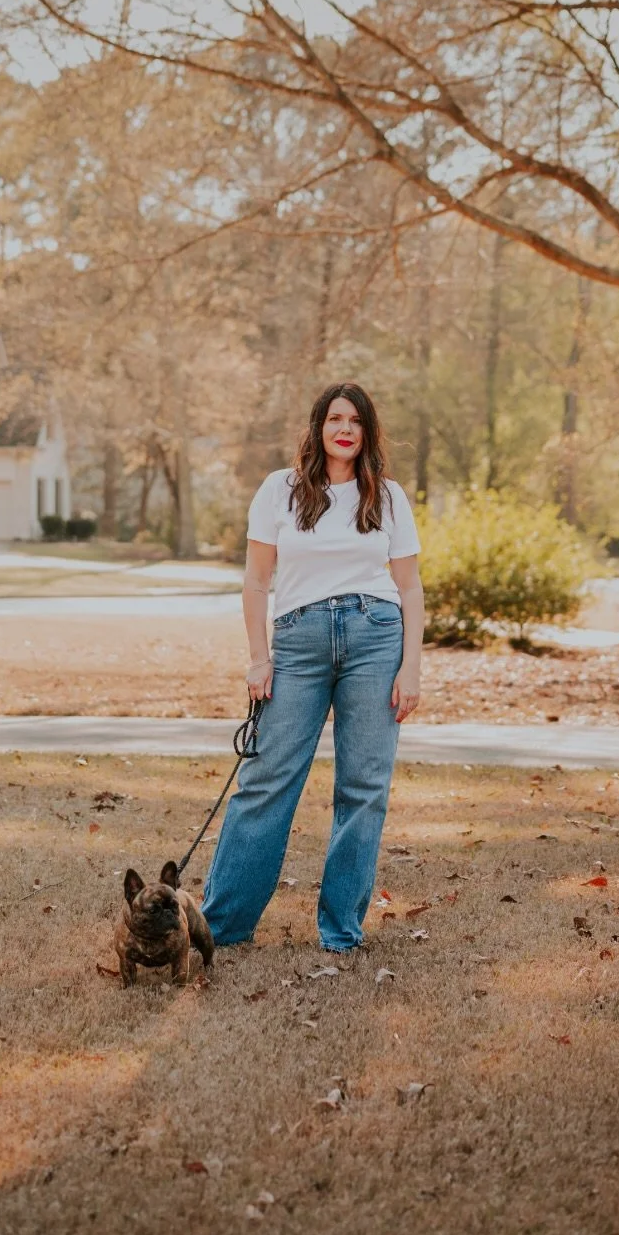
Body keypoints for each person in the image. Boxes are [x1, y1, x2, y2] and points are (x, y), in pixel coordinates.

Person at [202, 382, 424, 952]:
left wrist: (412, 668)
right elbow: (256, 581)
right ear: (318, 428)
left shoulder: (390, 497)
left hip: (376, 637)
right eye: (334, 418)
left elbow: (410, 585)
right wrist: (258, 658)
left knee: (364, 787)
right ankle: (223, 927)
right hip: (297, 642)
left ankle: (341, 930)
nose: (344, 429)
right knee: (266, 778)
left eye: (355, 420)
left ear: (367, 432)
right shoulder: (281, 490)